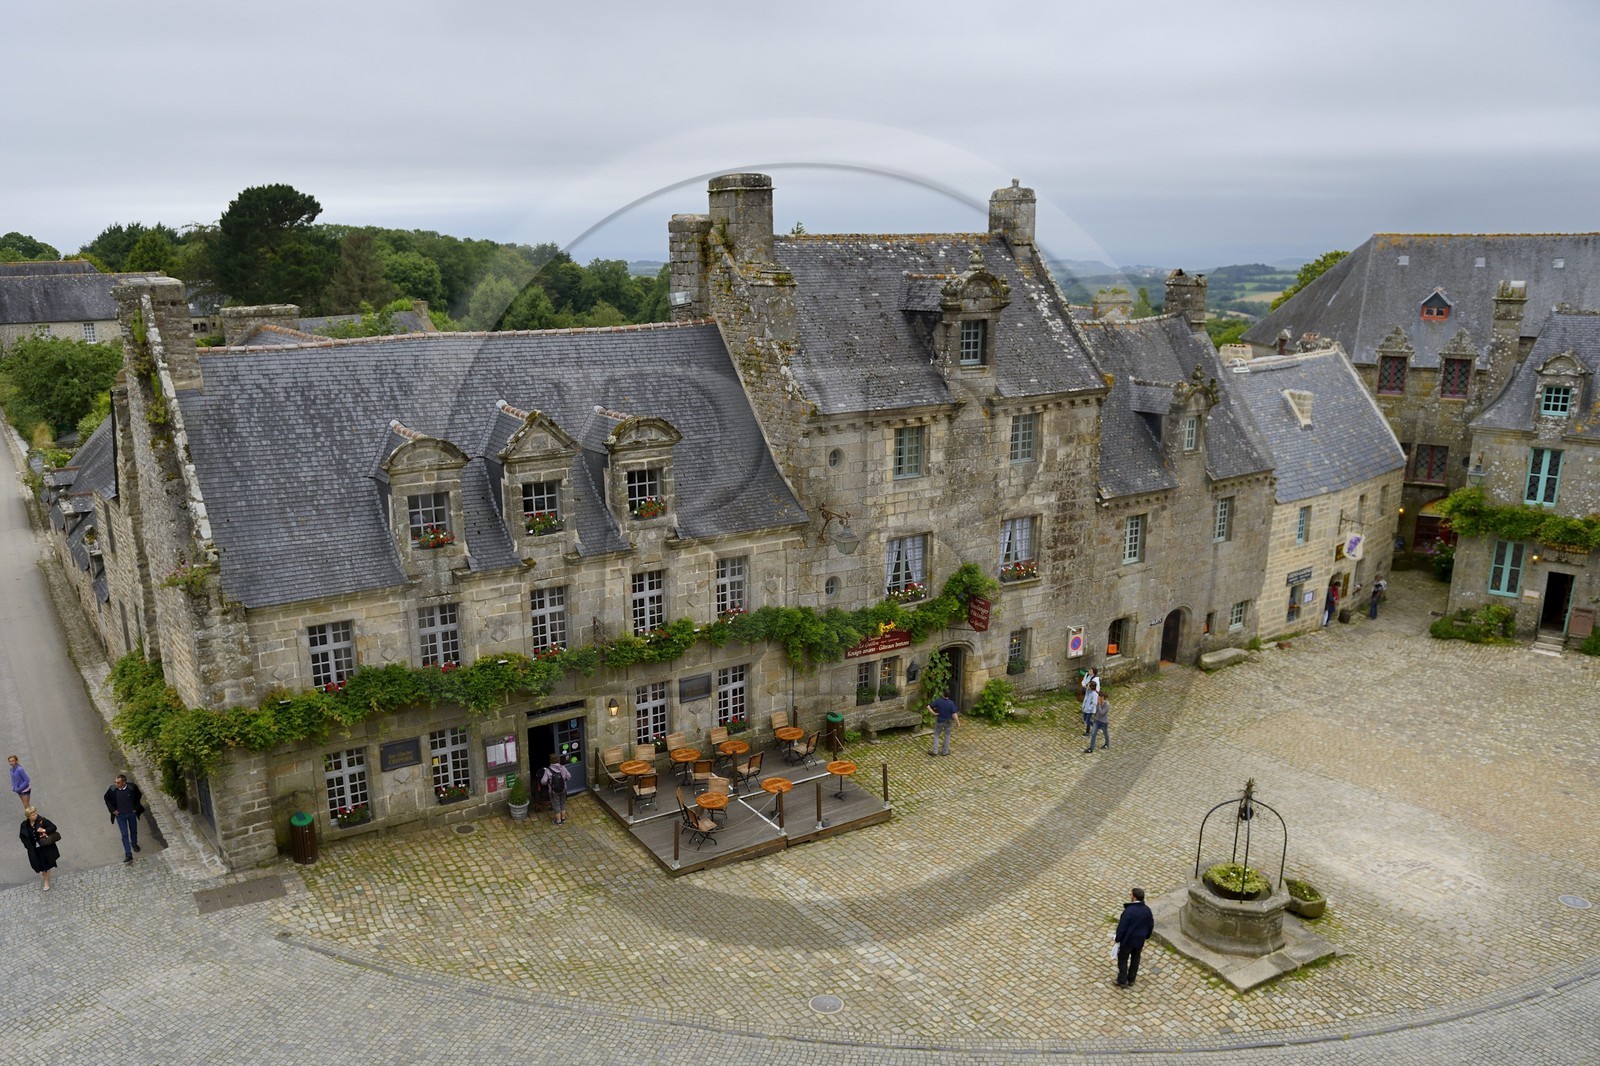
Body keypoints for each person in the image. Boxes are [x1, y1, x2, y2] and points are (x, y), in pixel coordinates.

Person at [1113, 886, 1155, 987]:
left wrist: (1117, 938)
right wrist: (1147, 936)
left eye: (1131, 894)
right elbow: (1150, 924)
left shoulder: (1129, 911)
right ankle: (1131, 979)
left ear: (1135, 897)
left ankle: (1122, 980)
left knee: (1122, 959)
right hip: (1139, 940)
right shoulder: (1147, 910)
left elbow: (1122, 927)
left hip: (1128, 940)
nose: (1130, 896)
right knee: (1135, 959)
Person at [103, 773, 146, 863]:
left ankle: (134, 843)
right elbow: (107, 799)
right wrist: (112, 810)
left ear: (124, 782)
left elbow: (138, 796)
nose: (115, 784)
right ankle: (128, 853)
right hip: (120, 816)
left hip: (131, 813)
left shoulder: (132, 788)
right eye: (115, 782)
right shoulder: (112, 790)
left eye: (118, 783)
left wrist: (135, 808)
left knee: (133, 830)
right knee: (124, 834)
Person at [19, 806, 60, 892]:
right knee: (38, 864)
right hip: (33, 849)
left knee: (46, 864)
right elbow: (22, 836)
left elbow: (53, 827)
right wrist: (27, 845)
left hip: (45, 848)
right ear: (28, 816)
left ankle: (46, 881)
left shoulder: (42, 821)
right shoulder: (24, 825)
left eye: (35, 813)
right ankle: (44, 874)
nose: (35, 815)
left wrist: (44, 830)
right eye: (33, 814)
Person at [541, 754, 571, 825]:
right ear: (558, 760)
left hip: (553, 791)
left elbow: (543, 781)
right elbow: (569, 776)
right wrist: (564, 779)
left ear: (550, 761)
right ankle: (563, 818)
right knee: (563, 804)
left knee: (556, 805)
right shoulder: (563, 768)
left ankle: (558, 821)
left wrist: (548, 782)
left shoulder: (548, 770)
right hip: (563, 789)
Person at [1080, 668, 1100, 737]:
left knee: (1087, 720)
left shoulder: (1094, 694)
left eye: (1088, 686)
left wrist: (1088, 708)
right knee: (1085, 719)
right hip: (1086, 708)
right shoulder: (1088, 691)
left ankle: (1087, 732)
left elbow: (1094, 703)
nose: (1087, 686)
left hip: (1089, 710)